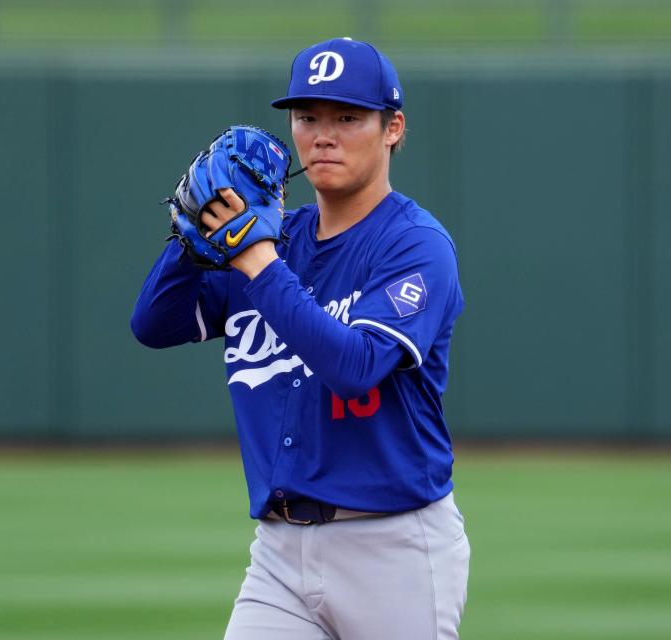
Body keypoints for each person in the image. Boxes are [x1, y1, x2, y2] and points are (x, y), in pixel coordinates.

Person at [131, 37, 470, 639]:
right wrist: (190, 236)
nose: (322, 135)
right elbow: (155, 325)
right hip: (280, 553)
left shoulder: (415, 245)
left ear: (393, 128)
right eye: (307, 117)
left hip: (394, 549)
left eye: (347, 117)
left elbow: (356, 364)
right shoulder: (273, 238)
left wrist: (255, 257)